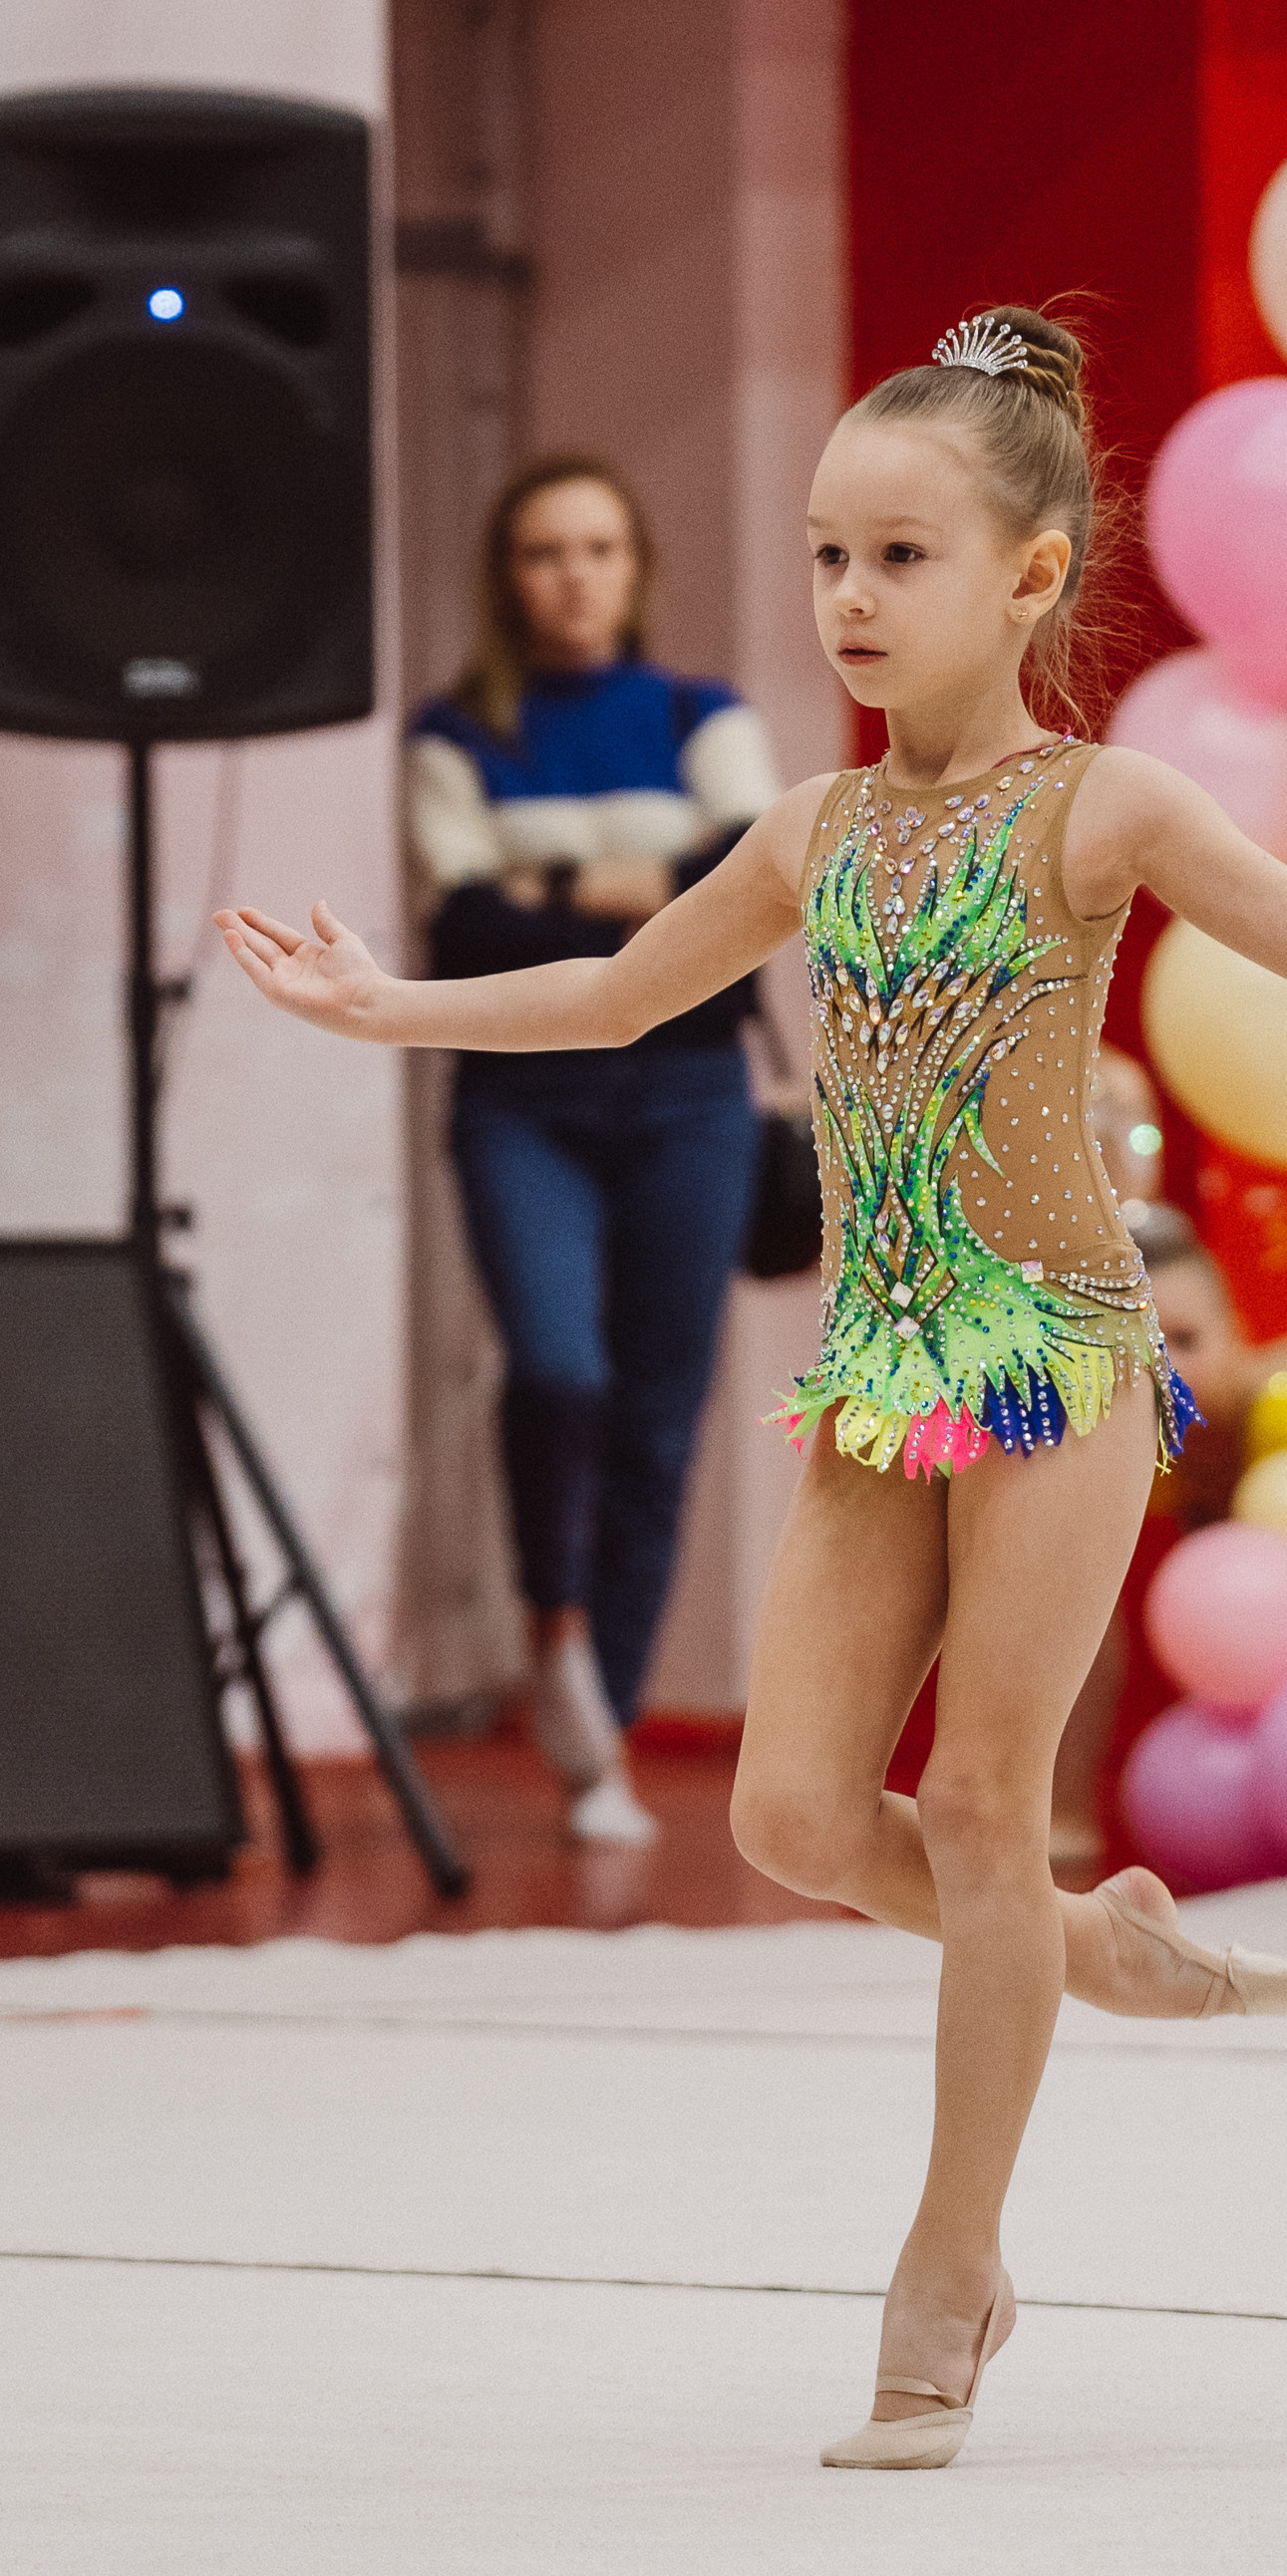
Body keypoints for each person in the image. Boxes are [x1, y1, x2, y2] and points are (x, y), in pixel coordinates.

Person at [216, 304, 1287, 2468]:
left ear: (1032, 573)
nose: (850, 603)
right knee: (794, 1815)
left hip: (1065, 1359)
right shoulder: (808, 829)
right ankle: (1091, 1946)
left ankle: (951, 2267)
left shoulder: (1107, 808)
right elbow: (623, 992)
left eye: (899, 558)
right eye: (824, 558)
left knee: (977, 1799)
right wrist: (384, 1006)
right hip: (885, 1363)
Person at [406, 454, 782, 1847]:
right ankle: (550, 1615)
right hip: (522, 1103)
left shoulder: (705, 715)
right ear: (508, 578)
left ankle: (597, 1722)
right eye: (546, 552)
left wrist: (544, 891)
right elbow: (462, 937)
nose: (575, 576)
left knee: (660, 1416)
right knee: (561, 1369)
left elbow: (748, 901)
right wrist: (633, 895)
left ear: (639, 569)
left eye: (600, 549)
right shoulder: (457, 732)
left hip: (690, 1098)